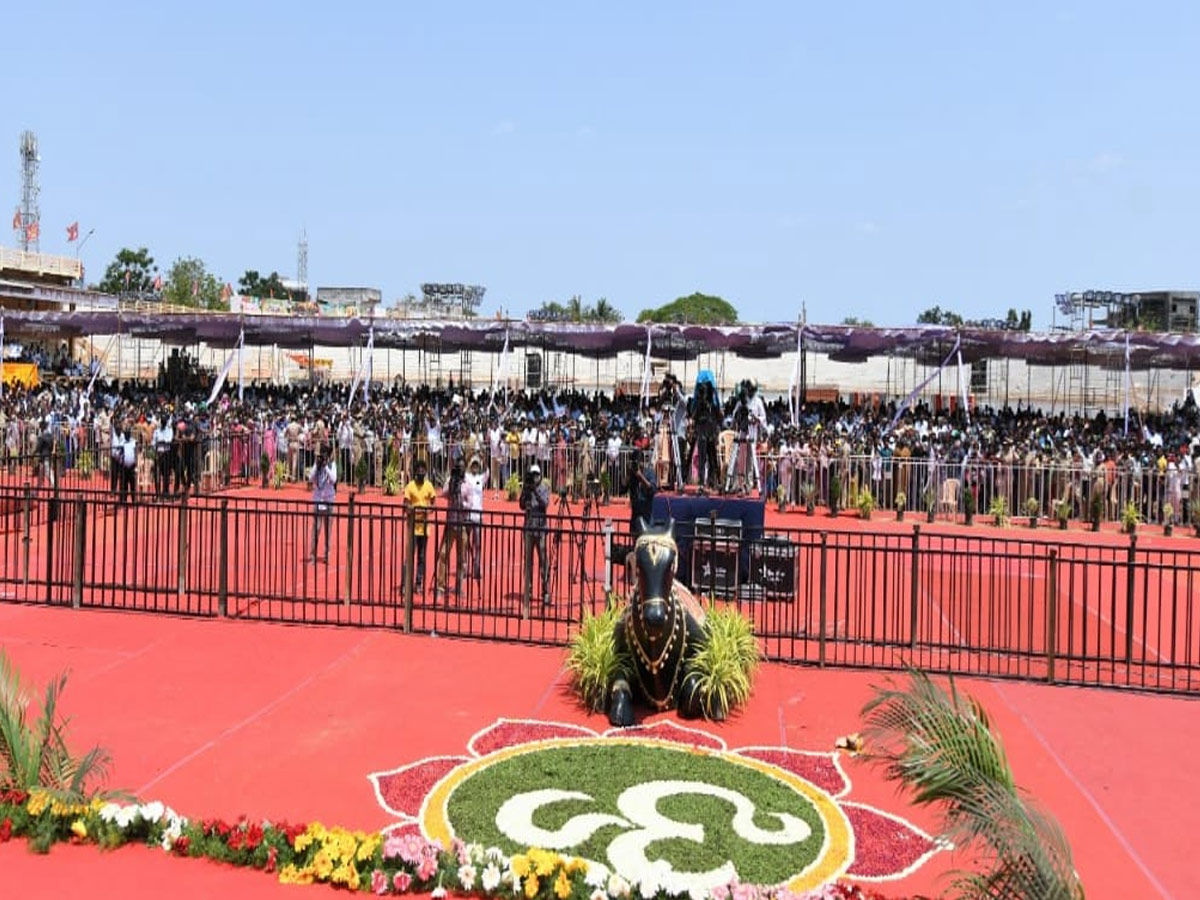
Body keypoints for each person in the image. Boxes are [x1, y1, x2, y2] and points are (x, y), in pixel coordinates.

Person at [435, 459, 471, 598]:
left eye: (462, 468)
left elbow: (471, 503)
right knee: (443, 554)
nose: (460, 470)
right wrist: (450, 483)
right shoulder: (451, 481)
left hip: (462, 524)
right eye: (458, 468)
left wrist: (463, 503)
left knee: (461, 558)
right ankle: (441, 586)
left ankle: (459, 586)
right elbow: (443, 494)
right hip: (450, 524)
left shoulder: (467, 485)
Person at [519, 463, 551, 614]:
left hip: (541, 529)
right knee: (528, 562)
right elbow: (520, 505)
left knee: (544, 561)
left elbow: (545, 504)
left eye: (537, 475)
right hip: (529, 528)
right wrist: (526, 491)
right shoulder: (527, 487)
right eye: (533, 475)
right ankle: (529, 590)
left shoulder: (544, 488)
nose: (535, 478)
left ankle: (545, 591)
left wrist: (535, 492)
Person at [403, 458, 437, 591]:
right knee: (410, 556)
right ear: (415, 472)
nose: (421, 472)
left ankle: (418, 583)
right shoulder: (410, 486)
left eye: (423, 470)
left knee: (421, 557)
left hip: (424, 527)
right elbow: (405, 502)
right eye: (419, 470)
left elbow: (434, 501)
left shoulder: (429, 486)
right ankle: (405, 583)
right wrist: (410, 508)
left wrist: (429, 510)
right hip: (412, 527)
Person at [309, 444, 337, 563]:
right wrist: (317, 465)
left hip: (329, 500)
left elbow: (333, 479)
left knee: (328, 530)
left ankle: (327, 554)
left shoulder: (332, 465)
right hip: (318, 500)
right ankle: (313, 555)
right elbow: (311, 478)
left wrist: (326, 467)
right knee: (316, 528)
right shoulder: (318, 465)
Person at [464, 455, 488, 578]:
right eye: (473, 465)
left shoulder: (481, 478)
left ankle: (477, 568)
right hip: (467, 514)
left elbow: (487, 470)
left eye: (476, 465)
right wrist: (470, 455)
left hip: (478, 515)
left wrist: (483, 455)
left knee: (477, 544)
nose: (474, 467)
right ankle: (465, 567)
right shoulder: (467, 477)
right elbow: (463, 467)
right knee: (465, 543)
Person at [628, 448, 657, 539]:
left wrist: (641, 477)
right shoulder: (632, 476)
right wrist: (628, 474)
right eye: (634, 462)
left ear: (642, 462)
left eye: (638, 462)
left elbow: (652, 489)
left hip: (647, 519)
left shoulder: (649, 473)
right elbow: (622, 488)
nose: (637, 465)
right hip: (635, 520)